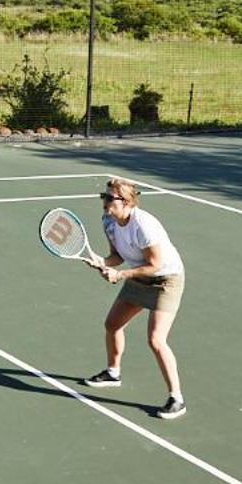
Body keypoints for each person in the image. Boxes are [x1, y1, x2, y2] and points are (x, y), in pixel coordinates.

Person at [80, 177, 187, 419]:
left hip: (166, 280)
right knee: (112, 325)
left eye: (110, 198)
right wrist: (102, 262)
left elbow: (154, 264)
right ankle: (113, 372)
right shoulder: (108, 220)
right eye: (103, 197)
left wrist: (121, 274)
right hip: (140, 276)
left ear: (127, 201)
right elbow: (116, 255)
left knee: (156, 340)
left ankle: (176, 398)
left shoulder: (144, 225)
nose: (105, 202)